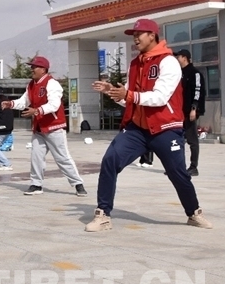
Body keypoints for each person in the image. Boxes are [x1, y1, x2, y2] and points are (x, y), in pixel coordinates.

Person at [87, 19, 212, 232]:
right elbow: (130, 99)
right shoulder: (135, 64)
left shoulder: (168, 62)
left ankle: (194, 213)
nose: (135, 38)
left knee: (177, 173)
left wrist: (128, 94)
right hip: (137, 129)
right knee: (110, 160)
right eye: (133, 35)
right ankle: (103, 214)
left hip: (165, 128)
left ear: (152, 35)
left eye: (139, 34)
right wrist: (112, 92)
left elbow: (160, 97)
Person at [2, 56, 86, 197]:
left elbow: (54, 105)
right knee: (36, 157)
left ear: (43, 69)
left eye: (34, 67)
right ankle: (36, 184)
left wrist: (37, 111)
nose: (31, 69)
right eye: (31, 66)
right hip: (39, 127)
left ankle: (78, 184)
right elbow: (24, 101)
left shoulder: (52, 84)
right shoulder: (31, 84)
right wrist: (11, 104)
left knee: (62, 158)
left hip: (54, 127)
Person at [174, 49, 205, 176]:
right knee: (177, 140)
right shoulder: (179, 73)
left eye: (178, 57)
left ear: (185, 58)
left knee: (192, 140)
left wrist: (194, 108)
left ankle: (193, 167)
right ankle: (178, 166)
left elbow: (198, 91)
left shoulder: (194, 73)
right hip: (179, 112)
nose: (177, 59)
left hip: (189, 112)